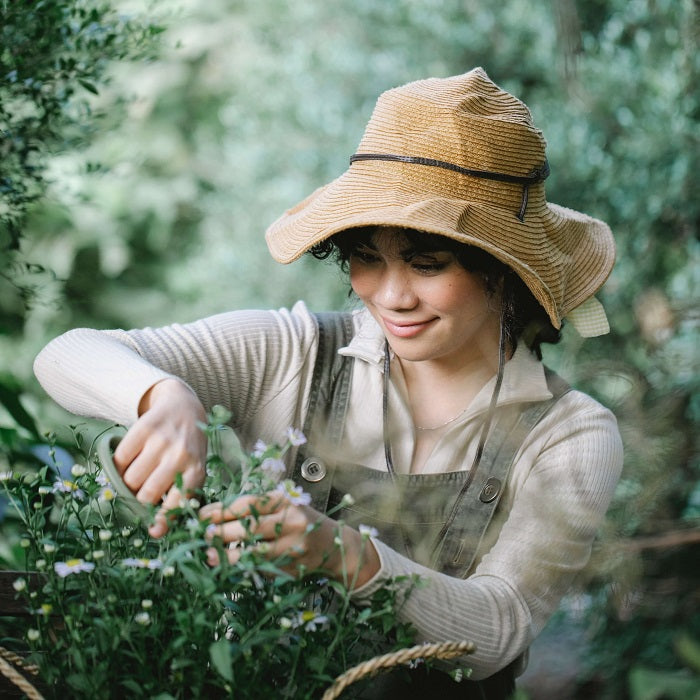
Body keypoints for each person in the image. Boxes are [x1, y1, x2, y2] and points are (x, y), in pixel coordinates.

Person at [33, 68, 623, 698]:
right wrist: (164, 397)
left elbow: (499, 630)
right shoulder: (295, 352)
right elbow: (67, 354)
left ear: (503, 268)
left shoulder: (569, 432)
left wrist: (346, 555)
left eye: (428, 264)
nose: (392, 295)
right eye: (367, 257)